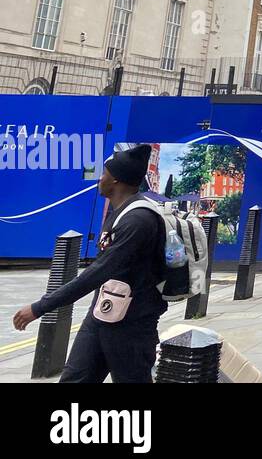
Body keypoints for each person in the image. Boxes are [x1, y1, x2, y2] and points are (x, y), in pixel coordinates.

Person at [11, 144, 166, 382]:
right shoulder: (119, 212)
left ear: (116, 180)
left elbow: (97, 272)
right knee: (74, 379)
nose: (100, 179)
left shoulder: (139, 221)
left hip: (132, 326)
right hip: (102, 315)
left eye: (104, 173)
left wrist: (39, 308)